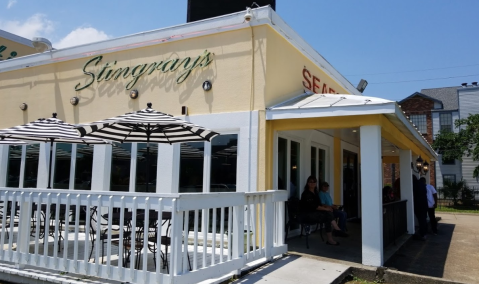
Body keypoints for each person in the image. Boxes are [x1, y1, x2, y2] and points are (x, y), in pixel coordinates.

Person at [300, 176, 346, 246]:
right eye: (310, 182)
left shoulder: (315, 193)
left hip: (315, 213)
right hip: (308, 214)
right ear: (308, 183)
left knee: (328, 215)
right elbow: (314, 206)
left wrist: (328, 208)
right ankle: (336, 231)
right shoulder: (306, 194)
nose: (312, 183)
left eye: (314, 182)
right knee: (328, 215)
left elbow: (319, 204)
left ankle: (333, 235)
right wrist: (326, 208)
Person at [412, 175, 428, 240]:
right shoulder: (422, 185)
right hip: (424, 204)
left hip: (418, 204)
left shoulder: (415, 185)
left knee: (421, 220)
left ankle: (422, 234)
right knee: (423, 219)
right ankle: (424, 233)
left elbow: (413, 193)